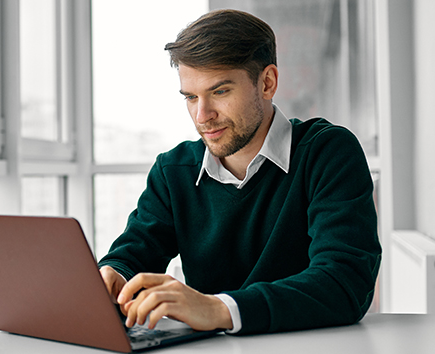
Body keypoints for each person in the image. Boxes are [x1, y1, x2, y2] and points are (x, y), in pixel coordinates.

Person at [97, 9, 382, 335]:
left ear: (267, 82)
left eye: (220, 91)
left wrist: (219, 309)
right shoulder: (173, 171)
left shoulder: (328, 153)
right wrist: (114, 274)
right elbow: (133, 254)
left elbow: (345, 283)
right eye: (191, 97)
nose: (202, 115)